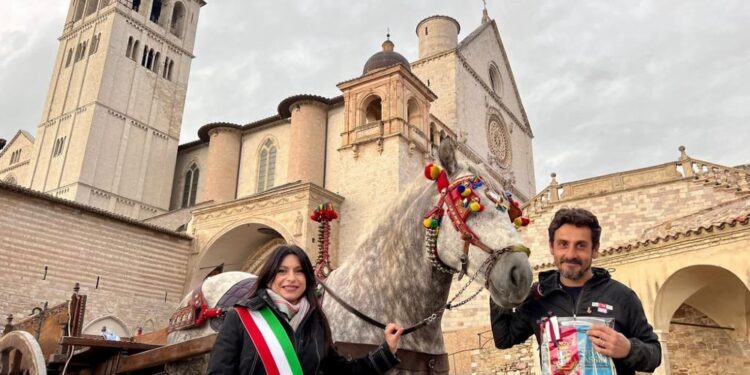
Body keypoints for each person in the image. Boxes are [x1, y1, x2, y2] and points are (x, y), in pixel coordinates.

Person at [490, 208, 662, 374]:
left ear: (594, 250)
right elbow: (504, 338)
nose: (570, 254)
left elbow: (655, 355)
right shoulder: (538, 296)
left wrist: (628, 349)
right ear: (552, 247)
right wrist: (499, 281)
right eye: (563, 244)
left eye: (581, 246)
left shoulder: (622, 296)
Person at [207, 245, 404, 374]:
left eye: (299, 271)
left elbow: (342, 372)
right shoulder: (241, 318)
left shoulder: (316, 323)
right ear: (269, 276)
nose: (291, 278)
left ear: (308, 279)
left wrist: (386, 351)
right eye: (282, 271)